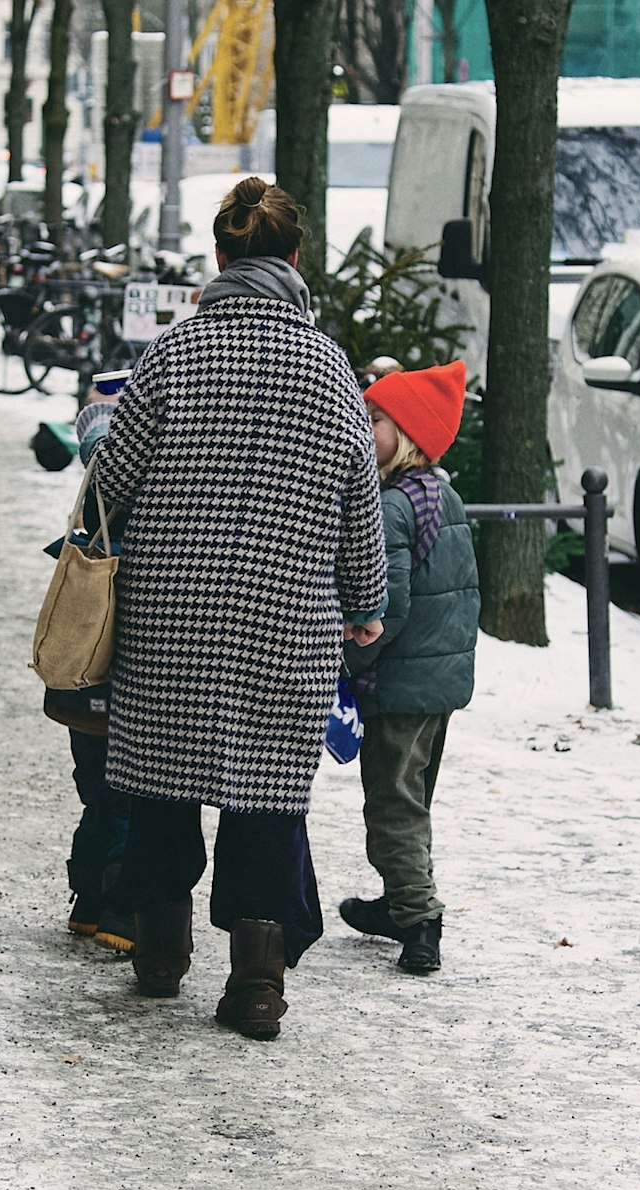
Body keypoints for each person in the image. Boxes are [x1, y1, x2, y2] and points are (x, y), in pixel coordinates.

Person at [84, 177, 389, 1041]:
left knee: (160, 786)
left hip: (171, 617)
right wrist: (365, 601)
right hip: (283, 625)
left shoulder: (174, 355)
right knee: (264, 805)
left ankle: (159, 952)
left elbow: (110, 485)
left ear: (219, 257)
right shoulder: (328, 367)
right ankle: (258, 984)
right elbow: (357, 500)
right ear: (296, 258)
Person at [339, 361, 480, 974]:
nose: (362, 428)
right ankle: (400, 904)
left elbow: (384, 609)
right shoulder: (441, 493)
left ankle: (421, 922)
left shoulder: (392, 505)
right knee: (412, 798)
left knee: (393, 806)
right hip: (436, 684)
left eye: (375, 420)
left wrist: (348, 662)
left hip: (399, 685)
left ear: (411, 434)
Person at [44, 384, 134, 953]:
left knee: (100, 783)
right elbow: (108, 478)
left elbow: (105, 474)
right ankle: (114, 903)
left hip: (89, 666)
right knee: (125, 785)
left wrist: (100, 423)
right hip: (133, 654)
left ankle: (91, 896)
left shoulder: (126, 455)